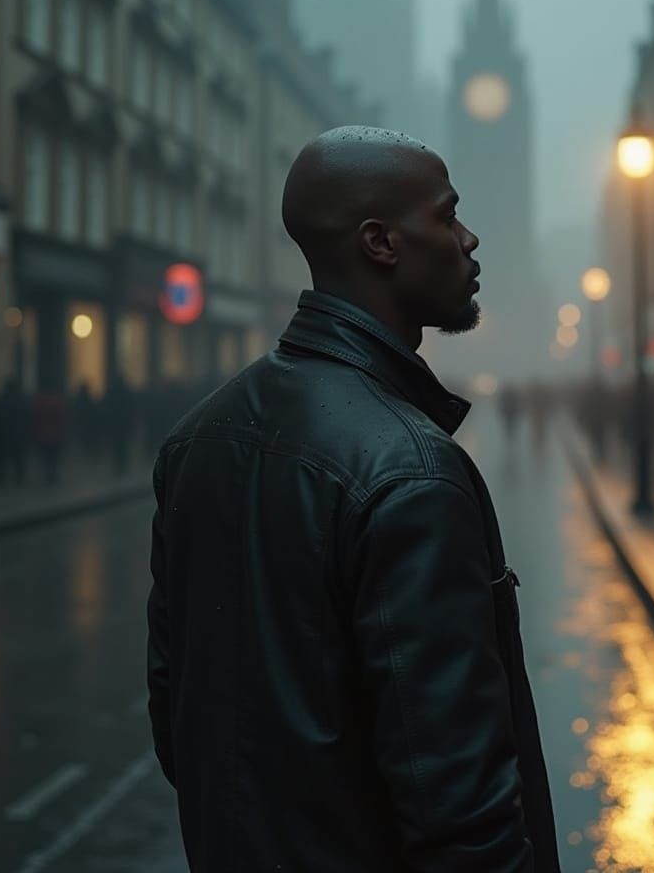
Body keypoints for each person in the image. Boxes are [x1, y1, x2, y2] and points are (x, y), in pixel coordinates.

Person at [146, 127, 560, 873]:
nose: (469, 240)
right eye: (447, 215)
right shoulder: (413, 473)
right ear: (381, 243)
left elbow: (177, 719)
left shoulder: (193, 440)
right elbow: (463, 813)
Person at [0, 375, 30, 486]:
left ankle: (1, 479)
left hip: (3, 434)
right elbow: (26, 417)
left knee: (2, 459)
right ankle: (18, 478)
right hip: (16, 434)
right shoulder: (20, 399)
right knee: (17, 458)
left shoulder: (1, 399)